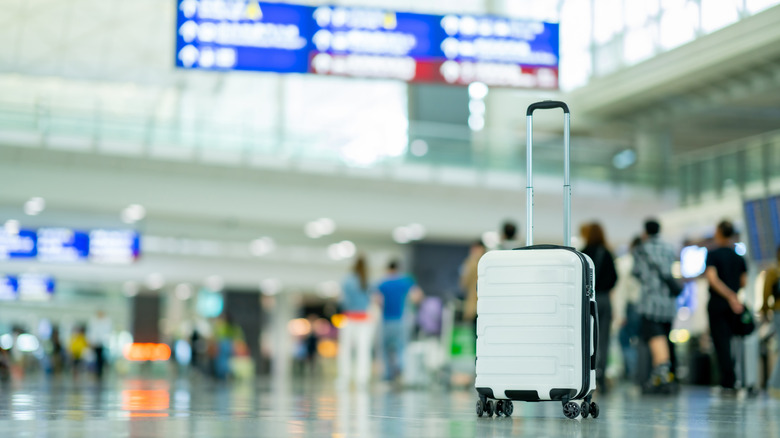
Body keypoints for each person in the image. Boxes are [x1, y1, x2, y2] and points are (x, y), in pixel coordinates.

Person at [632, 219, 678, 393]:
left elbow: (637, 273)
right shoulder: (669, 248)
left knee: (655, 338)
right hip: (668, 302)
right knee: (664, 338)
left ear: (646, 231)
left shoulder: (641, 249)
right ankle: (659, 375)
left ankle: (662, 373)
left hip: (650, 302)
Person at [705, 220, 747, 393]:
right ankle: (734, 378)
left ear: (719, 232)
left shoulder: (712, 254)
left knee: (720, 343)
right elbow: (743, 281)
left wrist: (727, 295)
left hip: (718, 303)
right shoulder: (739, 257)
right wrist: (734, 296)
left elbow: (712, 279)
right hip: (735, 305)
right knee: (732, 341)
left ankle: (727, 381)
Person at [580, 222, 618, 392]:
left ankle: (586, 375)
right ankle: (601, 376)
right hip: (604, 299)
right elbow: (614, 278)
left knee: (586, 337)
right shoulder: (607, 253)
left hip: (587, 299)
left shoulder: (583, 253)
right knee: (604, 339)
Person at [375, 259, 423, 382]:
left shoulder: (382, 283)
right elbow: (417, 296)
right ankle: (402, 372)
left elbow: (377, 301)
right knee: (402, 347)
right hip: (402, 320)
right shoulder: (406, 281)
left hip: (386, 320)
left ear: (388, 269)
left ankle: (387, 375)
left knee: (385, 349)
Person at [337, 254, 374, 387]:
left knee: (345, 350)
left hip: (349, 319)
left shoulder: (347, 280)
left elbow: (342, 300)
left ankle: (344, 378)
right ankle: (362, 379)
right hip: (364, 319)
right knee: (363, 350)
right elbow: (372, 300)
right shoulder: (367, 281)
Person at [614, 237, 643, 381]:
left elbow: (621, 291)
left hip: (631, 306)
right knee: (641, 341)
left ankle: (632, 373)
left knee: (625, 340)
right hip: (645, 306)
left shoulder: (625, 262)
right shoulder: (645, 263)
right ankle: (641, 373)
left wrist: (619, 313)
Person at [761, 245, 780, 398]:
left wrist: (765, 310)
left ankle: (773, 385)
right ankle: (773, 385)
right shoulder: (773, 271)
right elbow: (767, 292)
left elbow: (766, 292)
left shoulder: (774, 270)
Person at [460, 239, 485, 329]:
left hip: (484, 304)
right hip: (473, 305)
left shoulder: (487, 263)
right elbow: (463, 284)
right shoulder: (468, 263)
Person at [87, 310, 112, 379]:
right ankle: (97, 371)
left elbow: (107, 332)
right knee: (96, 357)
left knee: (101, 358)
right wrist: (91, 341)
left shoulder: (106, 321)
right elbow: (91, 332)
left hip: (102, 343)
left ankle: (100, 371)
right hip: (95, 343)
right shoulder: (94, 321)